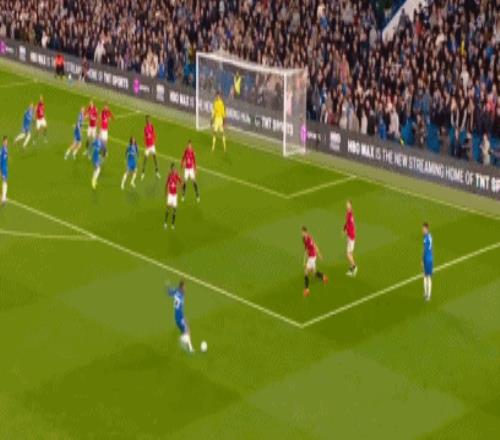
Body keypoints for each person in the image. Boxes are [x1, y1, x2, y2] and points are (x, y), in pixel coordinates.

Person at [167, 280, 194, 353]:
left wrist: (168, 287)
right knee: (187, 329)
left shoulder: (176, 291)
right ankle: (184, 341)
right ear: (181, 287)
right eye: (184, 287)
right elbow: (179, 308)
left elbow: (169, 292)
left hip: (177, 317)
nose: (186, 288)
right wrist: (184, 318)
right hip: (179, 317)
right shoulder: (181, 295)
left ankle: (189, 347)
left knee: (186, 329)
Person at [302, 226, 328, 297]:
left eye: (303, 232)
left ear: (306, 232)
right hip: (310, 257)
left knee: (306, 272)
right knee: (314, 272)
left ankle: (307, 290)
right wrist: (304, 260)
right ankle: (324, 277)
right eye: (302, 232)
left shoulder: (309, 239)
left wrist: (319, 254)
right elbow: (306, 249)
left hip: (312, 257)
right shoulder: (304, 239)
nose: (302, 234)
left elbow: (315, 246)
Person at [164, 163, 182, 230]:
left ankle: (172, 224)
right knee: (168, 208)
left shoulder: (177, 174)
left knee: (174, 209)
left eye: (174, 168)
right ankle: (165, 222)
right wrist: (166, 192)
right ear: (171, 169)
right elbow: (166, 184)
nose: (174, 169)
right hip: (170, 194)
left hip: (175, 195)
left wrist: (179, 188)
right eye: (173, 168)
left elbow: (180, 181)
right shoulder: (169, 175)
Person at [343, 200, 358, 276]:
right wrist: (344, 228)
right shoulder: (347, 213)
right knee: (350, 253)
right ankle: (352, 268)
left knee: (348, 254)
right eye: (346, 204)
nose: (347, 206)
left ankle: (354, 267)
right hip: (349, 236)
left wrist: (347, 231)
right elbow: (347, 223)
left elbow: (352, 226)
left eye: (348, 205)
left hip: (351, 236)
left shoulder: (351, 215)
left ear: (351, 206)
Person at [422, 222, 434, 302]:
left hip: (427, 259)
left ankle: (428, 295)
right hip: (430, 258)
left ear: (427, 229)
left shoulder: (426, 238)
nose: (422, 230)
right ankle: (426, 293)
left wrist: (422, 260)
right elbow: (430, 248)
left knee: (427, 277)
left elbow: (425, 250)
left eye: (423, 228)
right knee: (425, 276)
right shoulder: (429, 236)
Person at [1, 136, 8, 204]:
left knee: (5, 182)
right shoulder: (2, 150)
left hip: (5, 168)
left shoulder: (6, 149)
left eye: (7, 141)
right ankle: (3, 198)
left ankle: (4, 197)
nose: (6, 142)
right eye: (5, 141)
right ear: (3, 142)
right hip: (3, 168)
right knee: (4, 182)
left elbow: (5, 158)